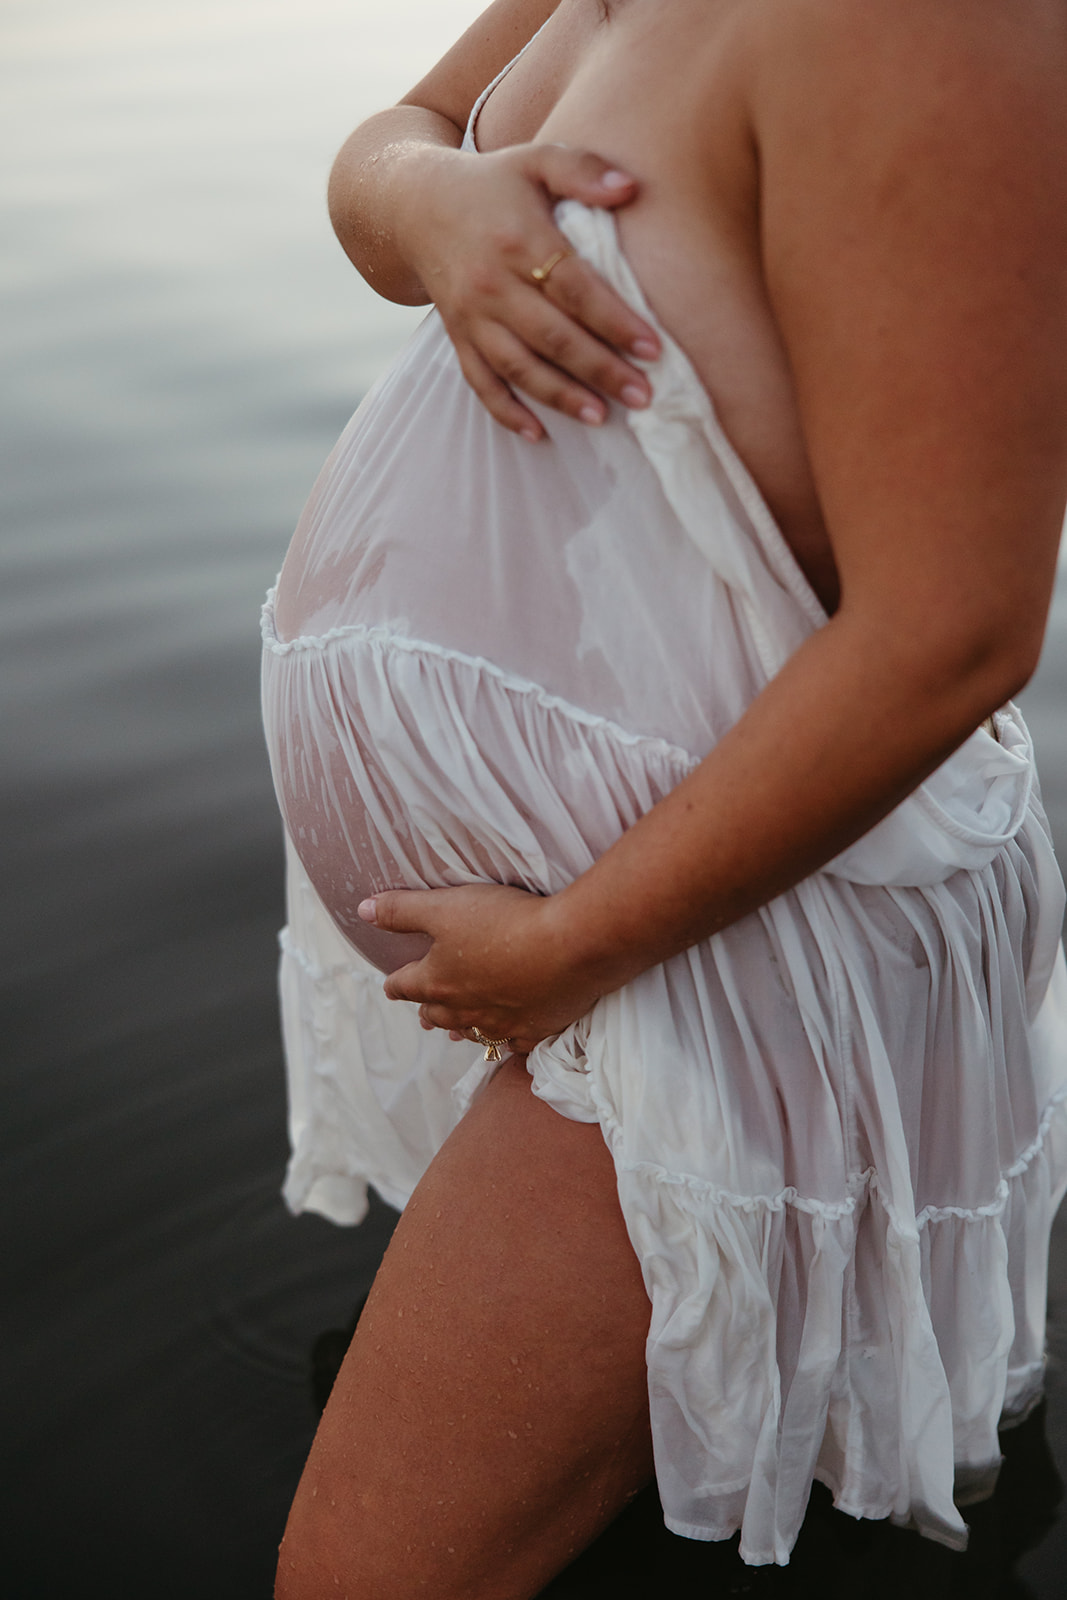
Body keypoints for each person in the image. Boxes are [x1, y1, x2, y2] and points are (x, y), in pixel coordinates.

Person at [263, 1, 1067, 1594]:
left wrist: (570, 947)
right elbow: (384, 159)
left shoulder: (927, 29)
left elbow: (956, 627)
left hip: (706, 970)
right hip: (594, 956)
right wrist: (434, 202)